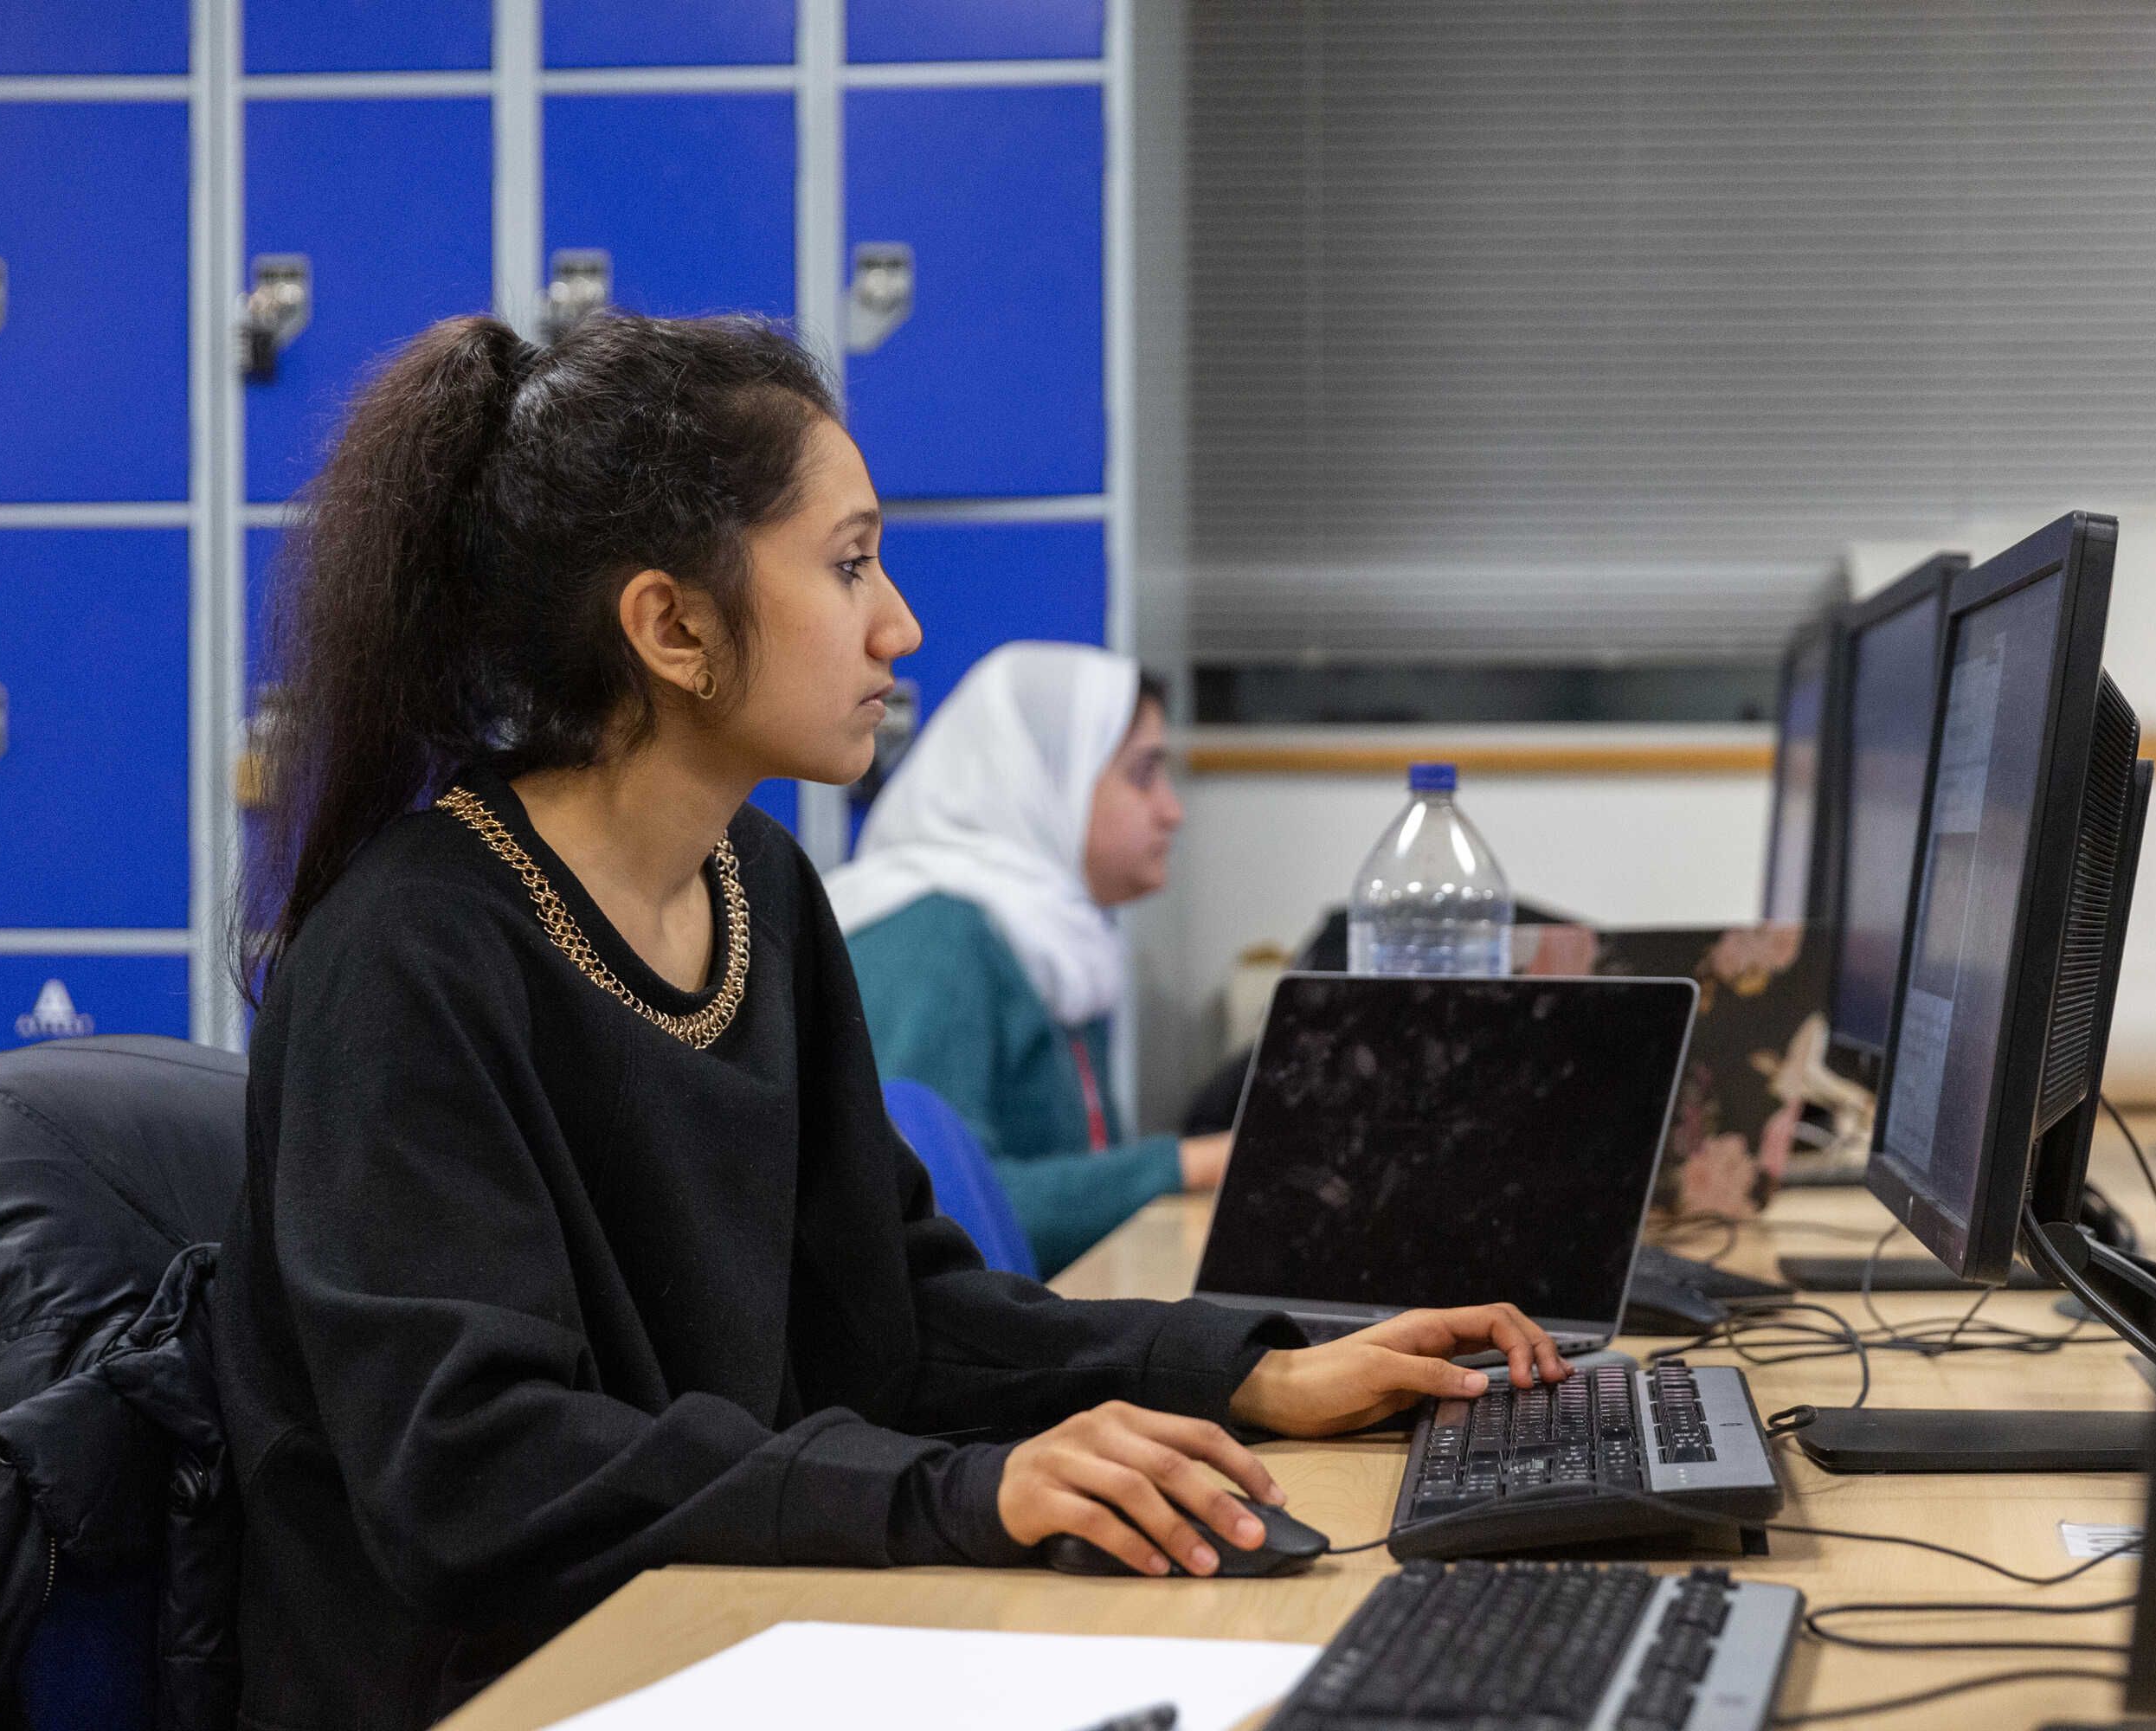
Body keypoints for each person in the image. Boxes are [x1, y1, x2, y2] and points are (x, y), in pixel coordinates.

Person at [211, 311, 1573, 1731]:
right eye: (849, 563)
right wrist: (956, 1494)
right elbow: (474, 1472)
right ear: (672, 625)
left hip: (736, 1631)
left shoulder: (760, 889)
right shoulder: (412, 955)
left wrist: (1253, 1372)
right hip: (510, 1691)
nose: (899, 623)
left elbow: (894, 1319)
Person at [827, 643, 1224, 1275]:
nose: (1171, 811)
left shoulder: (1050, 936)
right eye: (1144, 774)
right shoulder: (935, 937)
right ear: (1043, 778)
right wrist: (1183, 1165)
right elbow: (938, 1206)